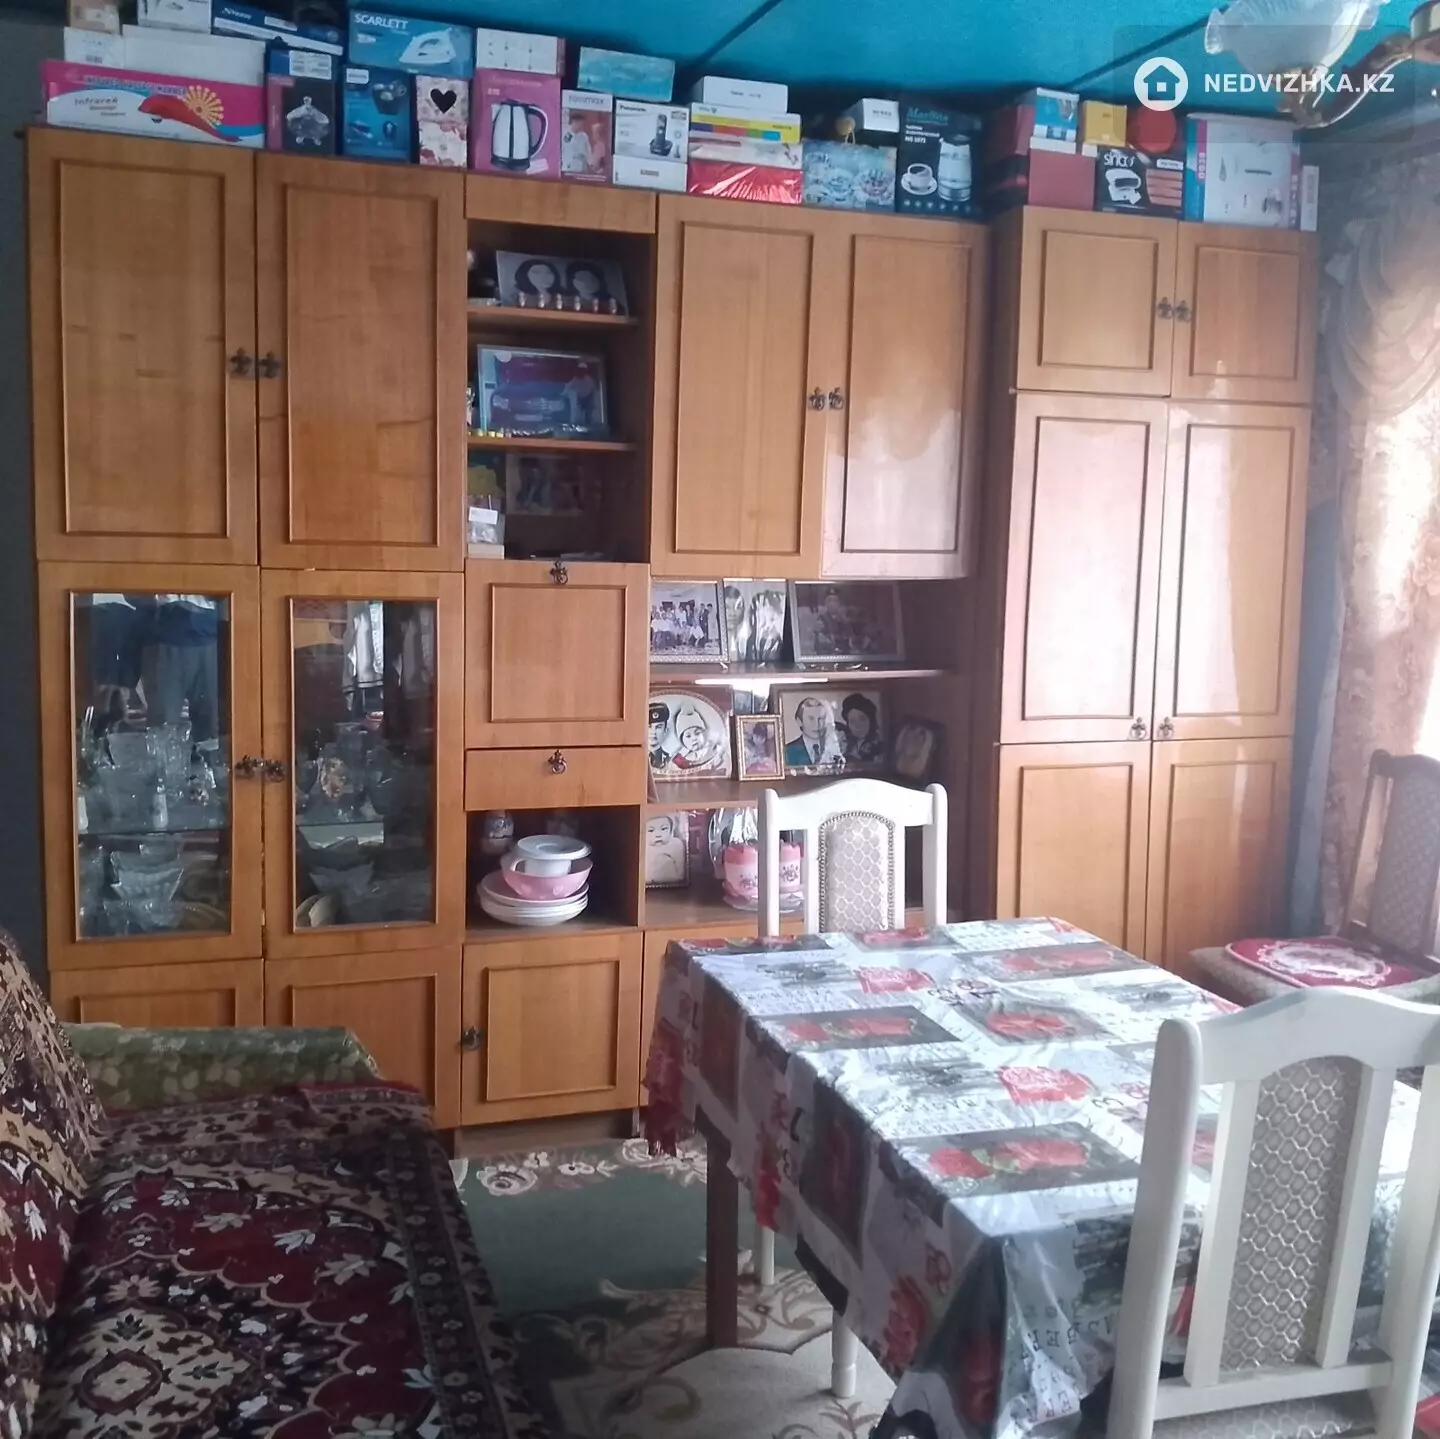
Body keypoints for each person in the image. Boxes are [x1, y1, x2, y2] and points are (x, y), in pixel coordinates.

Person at [784, 696, 839, 768]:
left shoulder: (835, 747)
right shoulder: (788, 751)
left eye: (821, 718)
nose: (816, 724)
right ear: (799, 721)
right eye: (811, 718)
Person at [839, 693, 883, 763]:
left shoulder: (880, 746)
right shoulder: (845, 745)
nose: (857, 726)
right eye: (852, 721)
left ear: (871, 720)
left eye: (862, 719)